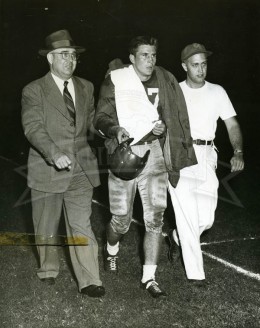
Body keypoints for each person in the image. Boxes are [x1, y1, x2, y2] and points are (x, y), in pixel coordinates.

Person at [94, 36, 196, 298]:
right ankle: (111, 248)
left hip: (155, 153)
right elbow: (100, 118)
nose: (150, 60)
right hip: (125, 152)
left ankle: (149, 277)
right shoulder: (116, 79)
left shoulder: (163, 78)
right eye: (144, 55)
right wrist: (115, 129)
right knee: (121, 221)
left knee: (155, 219)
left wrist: (162, 126)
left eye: (153, 55)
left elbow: (169, 113)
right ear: (132, 58)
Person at [21, 29, 105, 297]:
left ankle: (90, 279)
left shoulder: (86, 86)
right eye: (63, 55)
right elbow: (33, 127)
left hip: (81, 167)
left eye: (73, 55)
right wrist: (53, 152)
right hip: (48, 167)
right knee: (45, 225)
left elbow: (92, 122)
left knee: (82, 223)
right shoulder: (34, 90)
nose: (70, 60)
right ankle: (48, 268)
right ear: (50, 59)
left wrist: (111, 129)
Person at [167, 43, 245, 286]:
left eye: (204, 64)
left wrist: (238, 151)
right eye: (195, 65)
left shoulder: (217, 91)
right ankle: (196, 275)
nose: (200, 70)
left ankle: (177, 237)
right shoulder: (174, 92)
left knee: (206, 219)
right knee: (188, 214)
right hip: (181, 153)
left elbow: (232, 124)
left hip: (207, 154)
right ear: (184, 66)